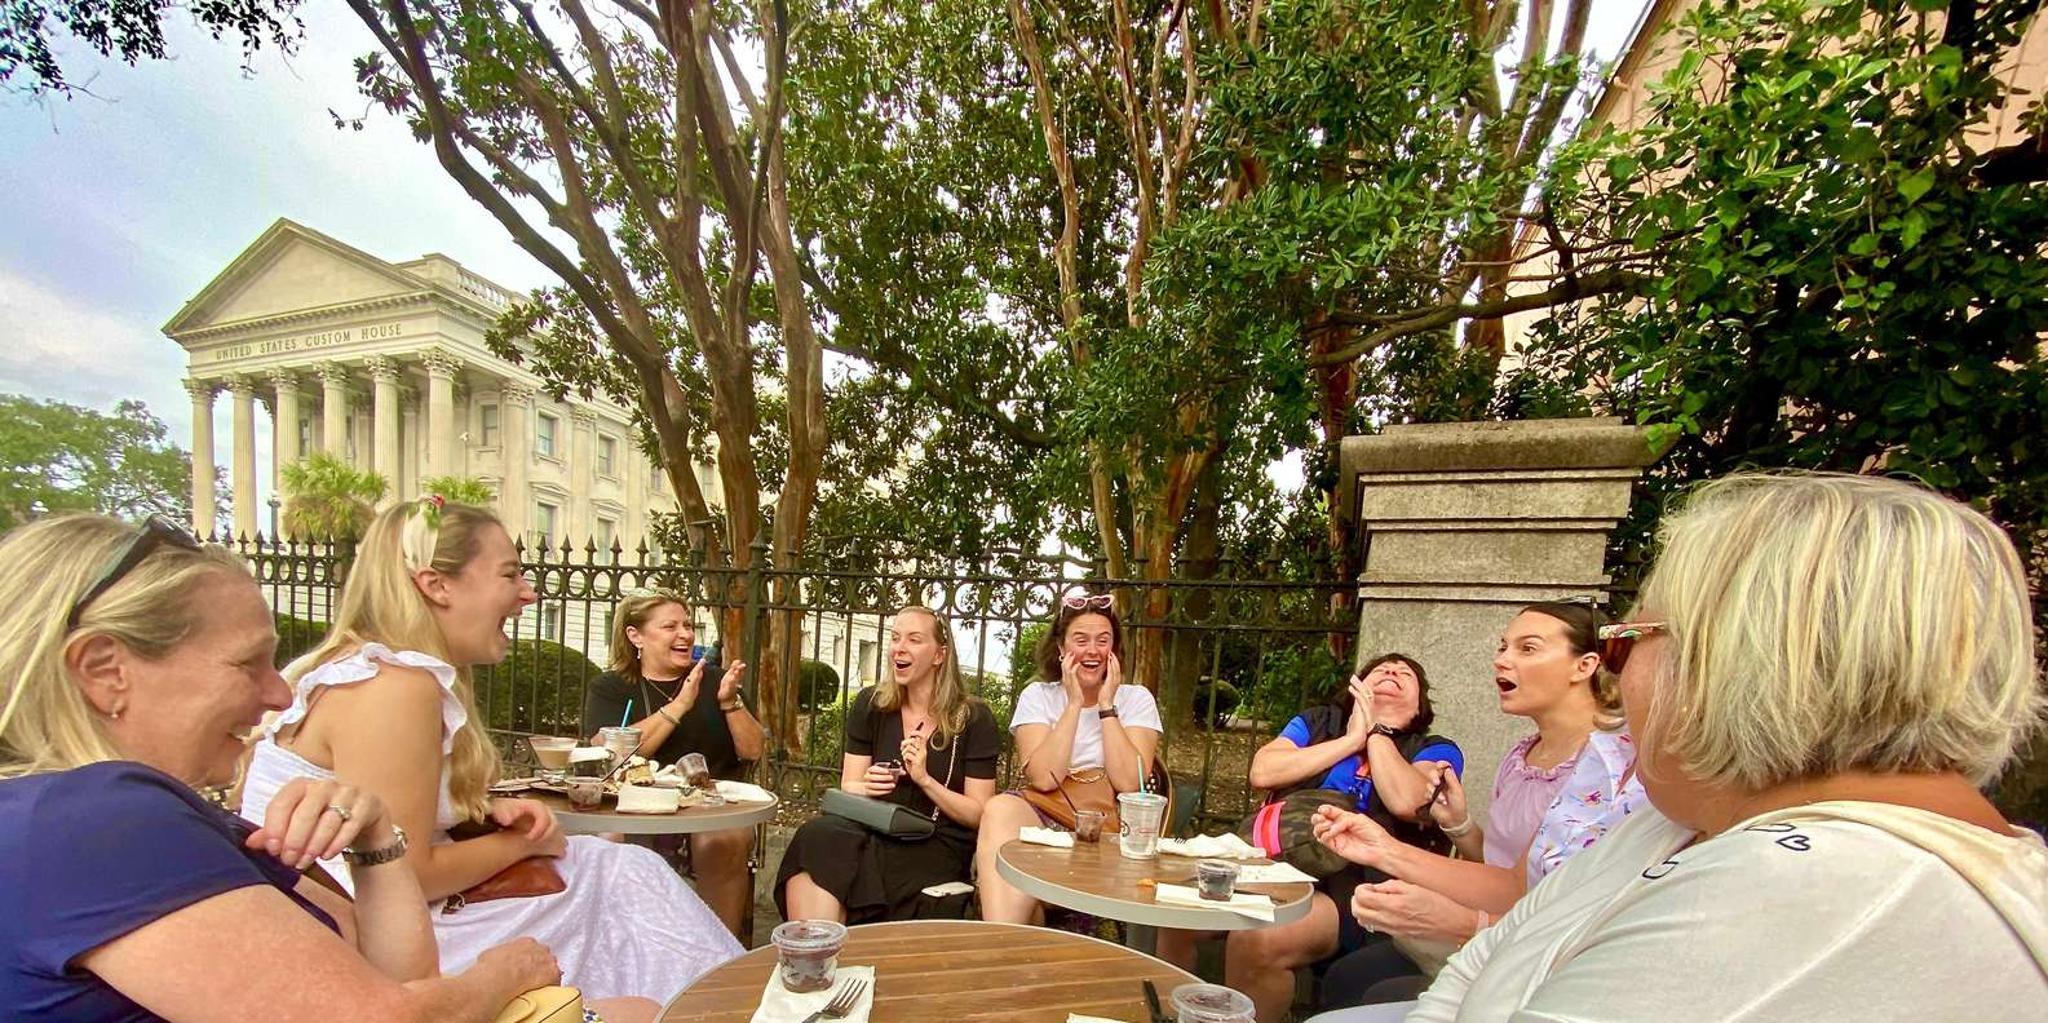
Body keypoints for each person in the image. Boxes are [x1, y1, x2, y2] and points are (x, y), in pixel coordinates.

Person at [1402, 472, 2048, 1021]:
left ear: (1735, 658)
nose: (1617, 683)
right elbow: (1489, 957)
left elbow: (1497, 942)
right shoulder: (1680, 823)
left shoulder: (1798, 894)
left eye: (1627, 643)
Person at [0, 514, 570, 1023]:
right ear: (104, 670)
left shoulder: (135, 818)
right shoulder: (96, 819)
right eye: (248, 663)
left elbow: (400, 980)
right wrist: (503, 974)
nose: (279, 695)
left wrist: (377, 839)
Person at [240, 498, 740, 1009]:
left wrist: (478, 815)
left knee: (619, 871)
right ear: (437, 585)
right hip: (375, 945)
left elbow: (389, 819)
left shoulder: (381, 672)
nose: (528, 593)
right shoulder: (392, 687)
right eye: (509, 574)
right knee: (621, 878)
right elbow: (404, 873)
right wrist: (523, 843)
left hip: (370, 921)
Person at [1311, 604, 1643, 1008]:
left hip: (1549, 960)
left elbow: (1539, 895)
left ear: (1585, 665)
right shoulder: (1522, 755)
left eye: (1527, 648)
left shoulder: (1614, 761)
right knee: (1347, 978)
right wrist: (1460, 827)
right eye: (1503, 646)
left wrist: (1462, 920)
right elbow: (1510, 873)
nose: (1501, 659)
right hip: (1494, 927)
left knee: (1376, 992)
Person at [1161, 654, 1456, 1023]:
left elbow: (1407, 801)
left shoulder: (1433, 749)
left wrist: (1378, 733)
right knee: (1178, 916)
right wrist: (1351, 739)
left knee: (1258, 940)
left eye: (1405, 674)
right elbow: (1263, 771)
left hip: (1354, 886)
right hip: (1274, 858)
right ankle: (1166, 1014)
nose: (1392, 672)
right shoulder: (1318, 723)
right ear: (1357, 689)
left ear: (1420, 705)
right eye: (1381, 669)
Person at [777, 605, 1001, 922]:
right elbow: (849, 785)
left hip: (935, 842)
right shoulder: (872, 705)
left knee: (844, 863)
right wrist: (867, 786)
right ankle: (817, 949)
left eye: (914, 639)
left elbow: (979, 814)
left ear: (939, 655)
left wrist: (925, 780)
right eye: (895, 638)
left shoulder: (973, 718)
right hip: (875, 827)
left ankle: (828, 945)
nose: (899, 648)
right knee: (816, 836)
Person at [974, 594, 1166, 924]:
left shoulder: (1136, 699)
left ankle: (1020, 927)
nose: (1092, 650)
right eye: (1081, 640)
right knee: (999, 808)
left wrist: (1106, 706)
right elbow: (1044, 778)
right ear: (1062, 648)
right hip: (1045, 811)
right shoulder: (1038, 696)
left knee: (1030, 907)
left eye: (1103, 641)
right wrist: (1074, 703)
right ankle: (1003, 937)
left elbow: (1129, 782)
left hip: (1107, 822)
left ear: (1114, 650)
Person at [582, 592, 759, 938]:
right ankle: (627, 943)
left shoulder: (716, 681)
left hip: (712, 807)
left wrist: (730, 703)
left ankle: (719, 950)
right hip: (633, 805)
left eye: (688, 625)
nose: (685, 635)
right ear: (636, 636)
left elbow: (753, 751)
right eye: (670, 627)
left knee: (721, 840)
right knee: (611, 839)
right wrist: (678, 706)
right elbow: (610, 756)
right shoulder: (611, 687)